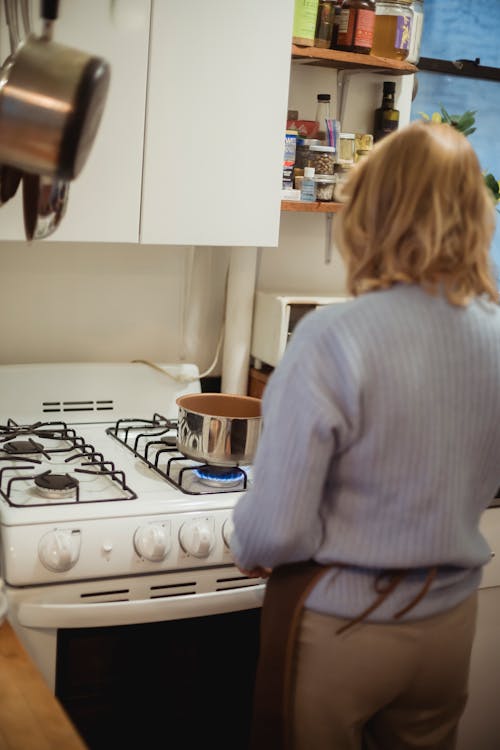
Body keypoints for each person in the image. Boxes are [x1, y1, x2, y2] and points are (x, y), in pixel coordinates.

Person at [230, 119, 500, 750]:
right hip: (451, 622)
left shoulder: (333, 336)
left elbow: (278, 530)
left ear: (371, 213)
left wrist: (247, 541)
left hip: (344, 625)